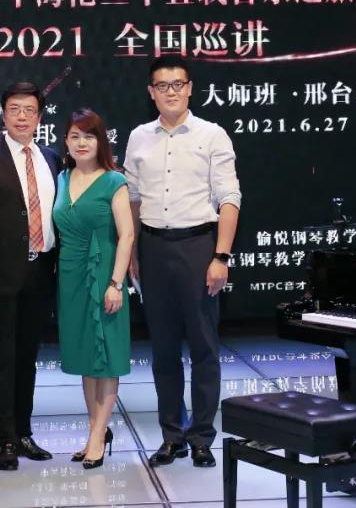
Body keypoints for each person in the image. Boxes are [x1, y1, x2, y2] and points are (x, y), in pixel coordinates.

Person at [124, 56, 241, 469]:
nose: (170, 91)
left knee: (204, 348)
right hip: (153, 249)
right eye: (162, 85)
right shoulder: (138, 137)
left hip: (198, 248)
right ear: (151, 92)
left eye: (178, 84)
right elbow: (132, 200)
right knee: (163, 350)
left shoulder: (212, 135)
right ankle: (172, 435)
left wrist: (220, 256)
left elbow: (229, 199)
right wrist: (132, 254)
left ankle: (202, 436)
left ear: (190, 88)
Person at [0, 81, 62, 471]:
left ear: (40, 116)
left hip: (41, 272)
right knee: (2, 359)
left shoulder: (52, 158)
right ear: (3, 115)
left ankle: (23, 432)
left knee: (28, 358)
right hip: (0, 277)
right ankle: (4, 438)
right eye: (14, 110)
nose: (22, 117)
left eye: (30, 110)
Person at [53, 108, 134, 469]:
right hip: (70, 276)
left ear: (101, 141)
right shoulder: (61, 178)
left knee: (108, 356)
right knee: (87, 357)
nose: (82, 142)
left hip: (104, 274)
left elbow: (126, 235)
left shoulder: (114, 181)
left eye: (89, 135)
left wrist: (116, 283)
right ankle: (94, 430)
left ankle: (98, 436)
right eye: (75, 136)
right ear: (66, 142)